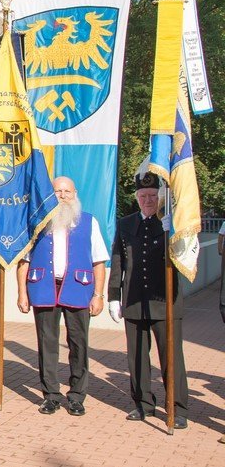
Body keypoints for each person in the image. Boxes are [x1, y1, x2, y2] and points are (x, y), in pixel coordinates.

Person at [16, 176, 108, 416]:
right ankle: (51, 395)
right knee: (46, 344)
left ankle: (77, 396)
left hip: (78, 288)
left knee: (78, 344)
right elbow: (23, 261)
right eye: (58, 191)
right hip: (44, 288)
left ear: (75, 194)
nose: (63, 196)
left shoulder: (89, 222)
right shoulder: (37, 222)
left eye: (67, 191)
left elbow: (99, 261)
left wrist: (98, 294)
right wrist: (21, 293)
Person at [108, 172, 188, 428]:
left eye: (152, 195)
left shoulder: (171, 223)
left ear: (160, 196)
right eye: (143, 196)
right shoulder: (125, 224)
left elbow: (185, 260)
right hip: (133, 301)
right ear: (137, 197)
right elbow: (118, 261)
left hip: (165, 303)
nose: (148, 200)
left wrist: (173, 236)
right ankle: (143, 405)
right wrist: (113, 297)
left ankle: (177, 408)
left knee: (171, 359)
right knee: (137, 357)